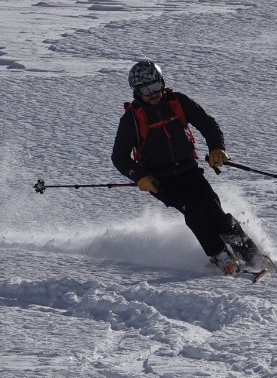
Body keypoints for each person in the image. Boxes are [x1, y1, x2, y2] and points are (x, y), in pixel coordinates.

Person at [111, 60, 261, 274]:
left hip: (189, 170)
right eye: (146, 90)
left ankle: (253, 256)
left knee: (216, 214)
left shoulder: (178, 102)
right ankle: (221, 257)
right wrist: (139, 176)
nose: (153, 94)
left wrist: (217, 148)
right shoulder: (131, 120)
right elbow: (119, 157)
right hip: (159, 180)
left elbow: (208, 124)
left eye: (156, 86)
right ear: (136, 92)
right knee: (194, 211)